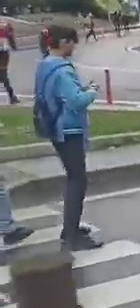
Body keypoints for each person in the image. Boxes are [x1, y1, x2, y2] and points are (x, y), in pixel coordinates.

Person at [34, 25, 102, 250]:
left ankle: (70, 227)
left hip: (55, 127)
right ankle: (71, 234)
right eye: (72, 42)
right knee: (77, 180)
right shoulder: (62, 70)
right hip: (69, 129)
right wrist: (92, 91)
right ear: (62, 42)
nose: (74, 46)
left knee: (74, 177)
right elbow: (76, 101)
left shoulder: (45, 66)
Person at [0, 177, 34, 245]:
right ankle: (5, 239)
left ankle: (6, 238)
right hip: (6, 231)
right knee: (28, 230)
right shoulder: (3, 194)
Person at [0, 22, 19, 104]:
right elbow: (12, 44)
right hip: (3, 55)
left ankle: (12, 97)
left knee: (4, 76)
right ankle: (12, 97)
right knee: (4, 76)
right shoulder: (6, 31)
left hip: (3, 54)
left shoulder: (5, 31)